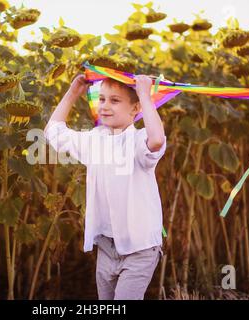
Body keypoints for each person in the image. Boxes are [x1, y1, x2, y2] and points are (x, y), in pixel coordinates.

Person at [43, 72, 167, 300]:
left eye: (115, 100)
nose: (105, 106)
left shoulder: (138, 141)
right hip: (107, 247)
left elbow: (157, 139)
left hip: (140, 248)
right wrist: (72, 93)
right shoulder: (94, 140)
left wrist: (145, 94)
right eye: (102, 99)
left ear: (135, 108)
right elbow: (53, 133)